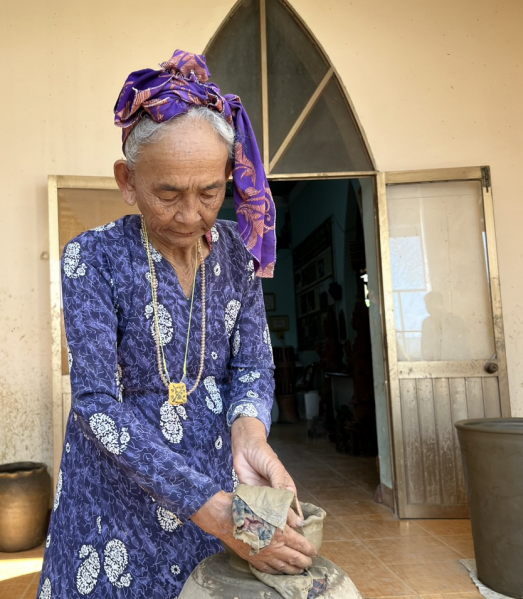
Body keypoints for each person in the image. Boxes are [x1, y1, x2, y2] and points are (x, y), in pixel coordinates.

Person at [37, 50, 315, 599]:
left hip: (217, 484)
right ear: (128, 180)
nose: (191, 215)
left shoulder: (237, 254)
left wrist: (249, 432)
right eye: (168, 194)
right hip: (115, 501)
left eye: (210, 192)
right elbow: (96, 402)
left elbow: (253, 361)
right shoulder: (91, 259)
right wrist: (212, 512)